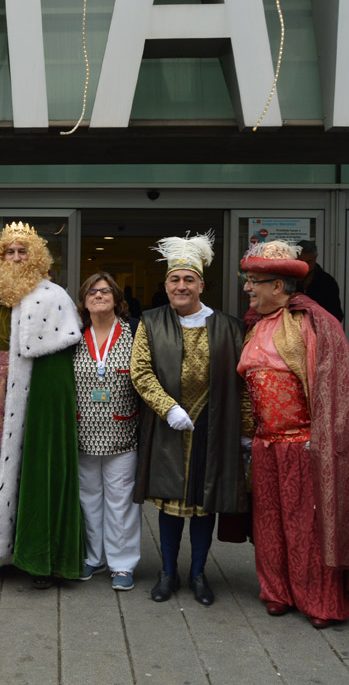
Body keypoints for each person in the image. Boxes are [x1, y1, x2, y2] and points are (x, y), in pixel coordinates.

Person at [239, 240, 349, 629]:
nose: (247, 289)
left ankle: (320, 599)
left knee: (305, 525)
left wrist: (320, 442)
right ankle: (277, 591)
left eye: (254, 281)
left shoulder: (313, 323)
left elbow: (334, 391)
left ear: (279, 286)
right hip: (264, 445)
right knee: (269, 522)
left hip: (302, 445)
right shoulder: (253, 325)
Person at [0, 222, 84, 588]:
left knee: (28, 470)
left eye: (23, 251)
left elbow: (58, 368)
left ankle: (31, 555)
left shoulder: (53, 296)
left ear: (36, 256)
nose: (16, 257)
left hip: (29, 400)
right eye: (9, 251)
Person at [130, 231, 248, 606]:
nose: (181, 286)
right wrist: (169, 408)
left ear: (201, 284)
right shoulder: (150, 322)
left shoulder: (230, 327)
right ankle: (168, 573)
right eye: (174, 279)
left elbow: (243, 382)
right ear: (165, 285)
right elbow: (140, 371)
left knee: (203, 504)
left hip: (214, 428)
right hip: (169, 427)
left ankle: (198, 573)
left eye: (188, 279)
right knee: (169, 504)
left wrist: (245, 430)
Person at [74, 273, 141, 591]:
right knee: (88, 498)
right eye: (92, 292)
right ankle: (92, 556)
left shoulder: (134, 333)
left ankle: (123, 564)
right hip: (83, 431)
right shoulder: (74, 334)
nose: (98, 295)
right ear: (84, 300)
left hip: (122, 431)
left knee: (120, 500)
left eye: (104, 291)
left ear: (116, 298)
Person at [296, 240, 344, 323]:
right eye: (301, 261)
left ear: (315, 258)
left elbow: (336, 315)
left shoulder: (327, 282)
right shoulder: (287, 279)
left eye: (309, 262)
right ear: (295, 258)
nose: (305, 265)